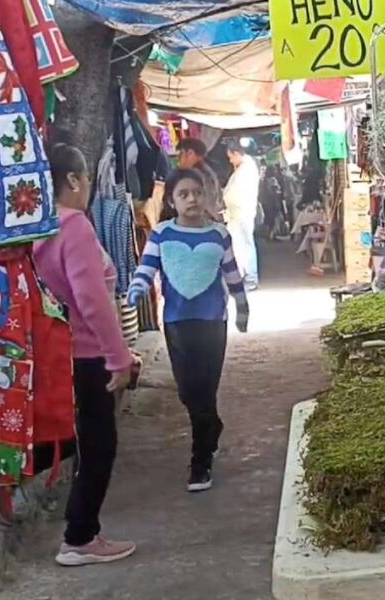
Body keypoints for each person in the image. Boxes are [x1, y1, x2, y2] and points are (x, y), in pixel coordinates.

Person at [32, 143, 136, 566]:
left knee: (78, 440)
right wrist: (119, 357)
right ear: (72, 180)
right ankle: (80, 537)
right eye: (87, 177)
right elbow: (91, 300)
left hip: (55, 352)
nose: (90, 186)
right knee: (98, 445)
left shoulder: (33, 226)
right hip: (86, 354)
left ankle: (79, 530)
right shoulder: (72, 225)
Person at [127, 169, 250, 492]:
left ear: (206, 195)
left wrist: (243, 307)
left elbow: (232, 272)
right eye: (184, 194)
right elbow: (147, 267)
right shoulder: (162, 234)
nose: (192, 199)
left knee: (205, 389)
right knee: (187, 390)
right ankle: (213, 427)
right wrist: (136, 288)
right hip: (176, 323)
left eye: (197, 192)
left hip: (212, 321)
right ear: (171, 200)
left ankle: (200, 461)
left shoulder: (218, 234)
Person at [223, 141, 261, 290]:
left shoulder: (247, 169)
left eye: (231, 157)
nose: (230, 161)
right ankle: (245, 276)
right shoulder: (243, 168)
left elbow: (238, 193)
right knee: (241, 245)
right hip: (238, 214)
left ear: (237, 154)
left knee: (246, 245)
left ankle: (251, 278)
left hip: (242, 213)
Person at [177, 137, 224, 222]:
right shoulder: (208, 171)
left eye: (181, 154)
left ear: (190, 153)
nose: (178, 159)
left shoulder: (196, 175)